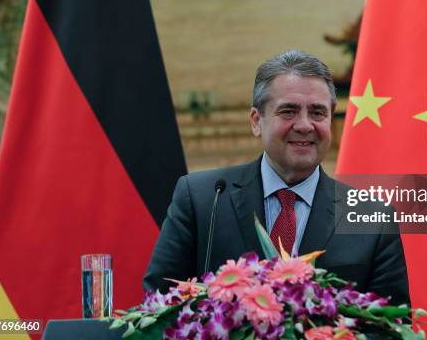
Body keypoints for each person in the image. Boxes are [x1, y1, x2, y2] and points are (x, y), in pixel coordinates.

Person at [143, 50, 409, 305]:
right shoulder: (203, 198)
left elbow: (393, 328)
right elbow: (159, 303)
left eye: (317, 112)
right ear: (256, 121)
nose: (305, 125)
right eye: (288, 111)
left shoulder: (373, 217)